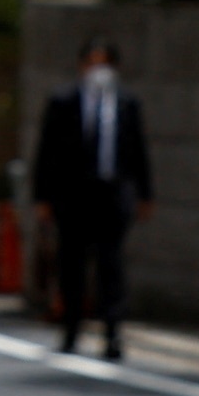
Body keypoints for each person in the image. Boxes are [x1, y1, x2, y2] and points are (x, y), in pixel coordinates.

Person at [30, 36, 156, 360]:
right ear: (81, 65)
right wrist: (42, 197)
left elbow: (138, 151)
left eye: (105, 63)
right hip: (72, 195)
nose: (98, 70)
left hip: (113, 193)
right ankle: (71, 330)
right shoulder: (63, 101)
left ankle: (113, 334)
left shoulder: (127, 103)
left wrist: (144, 193)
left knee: (111, 265)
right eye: (92, 62)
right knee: (71, 264)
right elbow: (46, 152)